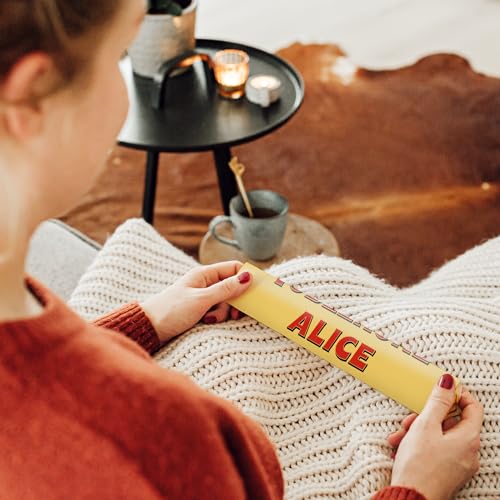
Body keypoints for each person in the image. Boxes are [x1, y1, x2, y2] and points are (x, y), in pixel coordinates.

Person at [0, 1, 483, 498]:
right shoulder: (166, 438)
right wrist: (415, 488)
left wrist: (142, 321)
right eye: (119, 55)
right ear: (33, 92)